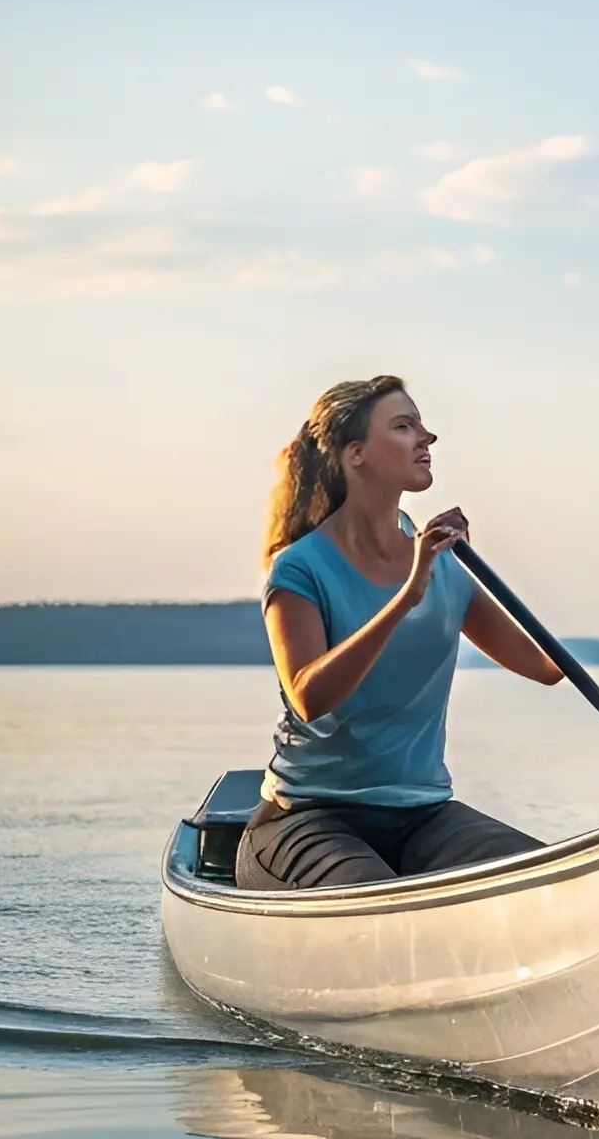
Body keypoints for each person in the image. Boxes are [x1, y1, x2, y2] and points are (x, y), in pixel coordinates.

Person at [235, 374, 565, 891]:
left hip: (423, 815)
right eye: (405, 426)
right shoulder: (299, 568)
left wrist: (464, 563)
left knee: (551, 881)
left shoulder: (439, 561)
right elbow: (309, 697)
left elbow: (545, 667)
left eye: (423, 425)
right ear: (356, 453)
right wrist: (407, 595)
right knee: (372, 898)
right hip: (307, 815)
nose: (427, 438)